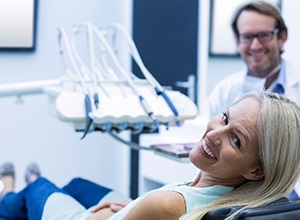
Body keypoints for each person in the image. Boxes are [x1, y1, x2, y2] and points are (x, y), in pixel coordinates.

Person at [1, 91, 300, 220]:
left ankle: (10, 191)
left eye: (235, 140)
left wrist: (121, 213)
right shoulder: (234, 192)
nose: (212, 134)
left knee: (37, 191)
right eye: (224, 118)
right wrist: (135, 207)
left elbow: (165, 207)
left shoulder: (166, 205)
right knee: (78, 184)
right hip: (136, 209)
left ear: (256, 170)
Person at [208, 1, 300, 119]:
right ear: (237, 41)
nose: (255, 46)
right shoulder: (223, 93)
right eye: (247, 37)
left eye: (264, 35)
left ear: (281, 38)